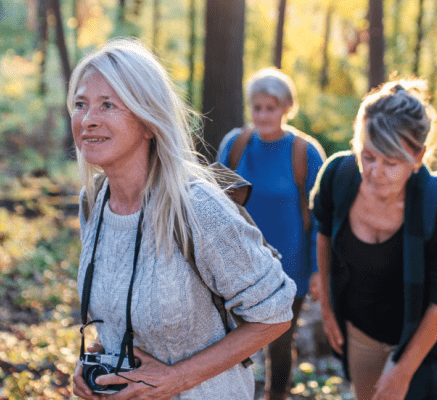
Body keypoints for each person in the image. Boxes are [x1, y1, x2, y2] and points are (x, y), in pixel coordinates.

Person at [68, 39, 297, 400]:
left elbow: (276, 312)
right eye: (81, 104)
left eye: (107, 105)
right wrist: (98, 356)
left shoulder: (195, 206)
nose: (88, 119)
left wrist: (178, 378)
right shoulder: (93, 202)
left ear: (148, 122)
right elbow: (123, 309)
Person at [310, 79, 437, 400]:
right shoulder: (338, 176)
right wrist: (328, 308)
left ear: (418, 157)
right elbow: (324, 235)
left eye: (391, 163)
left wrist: (402, 372)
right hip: (361, 330)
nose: (374, 172)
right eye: (367, 156)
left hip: (421, 336)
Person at [218, 67, 326, 400]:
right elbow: (213, 204)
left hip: (288, 269)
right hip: (237, 264)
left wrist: (319, 272)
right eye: (258, 107)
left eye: (271, 108)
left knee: (279, 343)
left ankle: (276, 394)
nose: (263, 115)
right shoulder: (236, 144)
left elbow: (320, 219)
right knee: (233, 341)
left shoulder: (304, 153)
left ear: (285, 108)